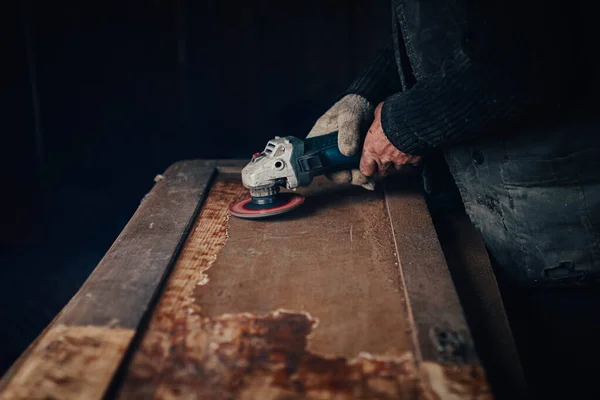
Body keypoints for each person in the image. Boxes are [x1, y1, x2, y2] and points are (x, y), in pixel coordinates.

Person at [306, 0, 600, 399]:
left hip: (567, 229)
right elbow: (431, 43)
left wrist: (400, 127)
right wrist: (362, 95)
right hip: (483, 210)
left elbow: (528, 61)